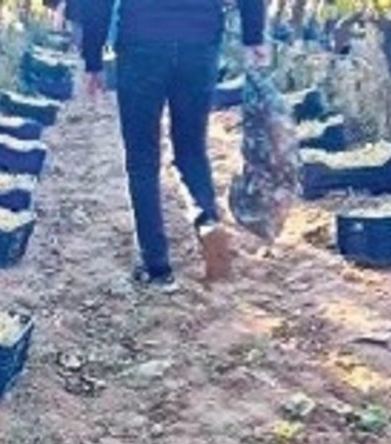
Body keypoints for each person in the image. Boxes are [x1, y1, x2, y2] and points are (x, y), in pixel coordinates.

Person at [75, 0, 269, 287]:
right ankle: (207, 222)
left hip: (141, 42)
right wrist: (253, 36)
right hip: (200, 40)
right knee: (191, 151)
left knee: (142, 160)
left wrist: (93, 60)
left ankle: (157, 267)